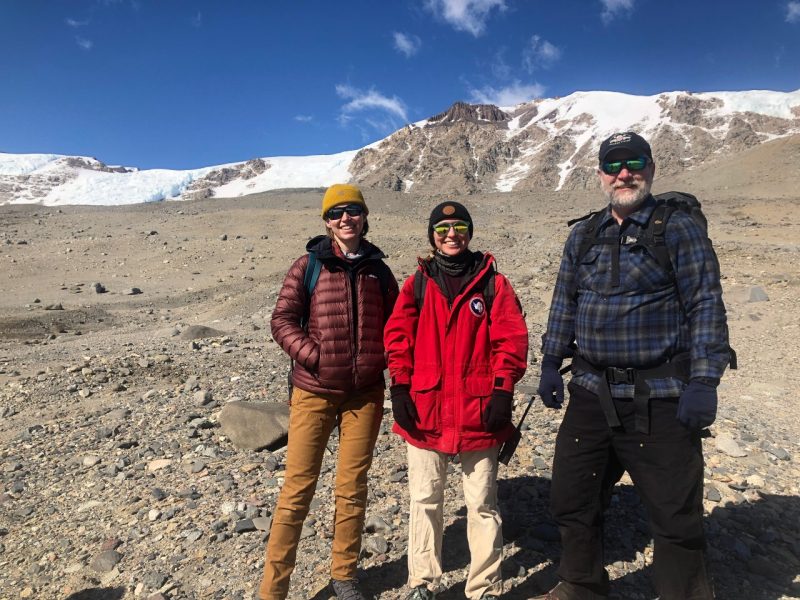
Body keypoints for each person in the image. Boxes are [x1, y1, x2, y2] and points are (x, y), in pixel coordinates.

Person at [534, 132, 731, 599]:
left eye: (635, 162)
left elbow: (705, 303)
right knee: (572, 498)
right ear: (601, 174)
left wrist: (704, 379)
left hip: (660, 396)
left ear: (651, 168)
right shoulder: (584, 234)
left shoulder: (677, 228)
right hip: (590, 393)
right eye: (614, 164)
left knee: (674, 513)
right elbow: (565, 301)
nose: (625, 172)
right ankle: (581, 585)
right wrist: (549, 361)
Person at [259, 183, 398, 600]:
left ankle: (344, 575)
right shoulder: (309, 265)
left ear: (364, 215)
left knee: (353, 486)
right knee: (297, 490)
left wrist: (382, 361)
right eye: (336, 213)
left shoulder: (379, 271)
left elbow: (397, 326)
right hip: (314, 392)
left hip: (365, 395)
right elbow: (282, 319)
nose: (345, 218)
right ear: (325, 220)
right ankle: (273, 590)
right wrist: (316, 357)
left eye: (352, 210)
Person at [384, 201, 529, 600]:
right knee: (424, 499)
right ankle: (423, 583)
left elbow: (511, 341)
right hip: (425, 408)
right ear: (432, 234)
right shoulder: (417, 283)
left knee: (482, 503)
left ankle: (483, 588)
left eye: (459, 226)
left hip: (479, 411)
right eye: (443, 227)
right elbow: (398, 338)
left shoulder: (493, 284)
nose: (452, 234)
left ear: (470, 231)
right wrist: (399, 387)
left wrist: (503, 390)